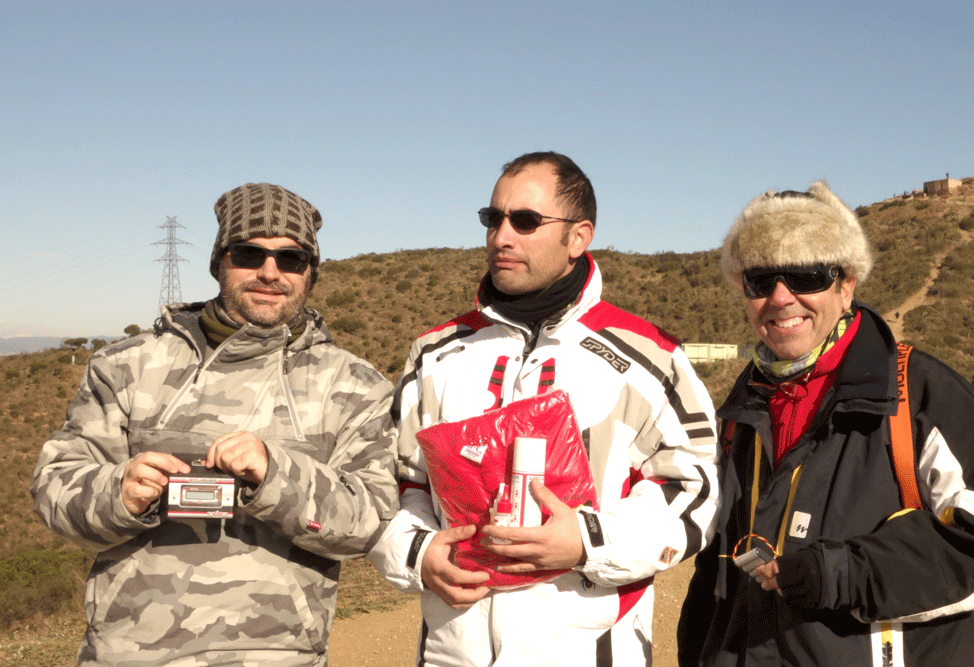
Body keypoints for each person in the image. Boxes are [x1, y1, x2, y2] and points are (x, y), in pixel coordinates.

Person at [368, 151, 719, 666]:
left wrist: (587, 541)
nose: (501, 237)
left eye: (526, 221)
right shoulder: (434, 352)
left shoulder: (651, 357)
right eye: (493, 218)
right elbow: (397, 481)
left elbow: (693, 492)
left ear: (578, 237)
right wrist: (418, 553)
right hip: (451, 651)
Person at [31, 182, 398, 667]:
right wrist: (118, 493)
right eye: (249, 253)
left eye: (291, 259)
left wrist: (277, 476)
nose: (270, 272)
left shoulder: (354, 385)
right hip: (129, 655)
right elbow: (54, 488)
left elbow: (372, 520)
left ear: (310, 272)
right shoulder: (126, 366)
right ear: (218, 262)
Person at [677, 181, 974, 666]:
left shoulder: (915, 392)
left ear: (846, 284)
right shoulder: (740, 408)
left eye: (806, 275)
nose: (781, 297)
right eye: (760, 280)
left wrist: (842, 574)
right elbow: (715, 576)